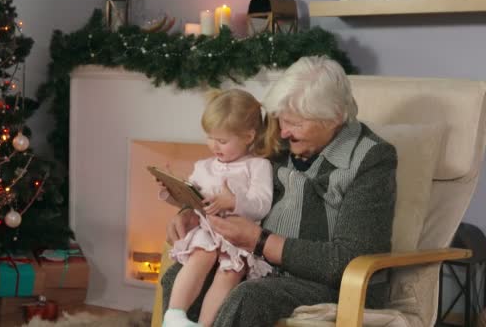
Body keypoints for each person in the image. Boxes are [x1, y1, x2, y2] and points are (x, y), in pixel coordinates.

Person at [161, 55, 397, 327]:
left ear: (334, 118)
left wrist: (258, 241)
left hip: (327, 282)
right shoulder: (278, 138)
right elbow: (231, 174)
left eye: (295, 124)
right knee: (177, 275)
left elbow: (350, 258)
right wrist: (189, 212)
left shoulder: (371, 158)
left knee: (249, 296)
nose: (283, 132)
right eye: (281, 120)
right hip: (259, 266)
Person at [159, 89, 280, 327]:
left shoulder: (257, 166)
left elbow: (262, 204)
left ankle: (204, 325)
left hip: (239, 237)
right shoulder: (203, 166)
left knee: (230, 273)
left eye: (222, 141)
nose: (214, 146)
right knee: (200, 255)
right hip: (207, 229)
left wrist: (234, 202)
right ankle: (174, 315)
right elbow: (190, 201)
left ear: (248, 136)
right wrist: (171, 190)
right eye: (210, 137)